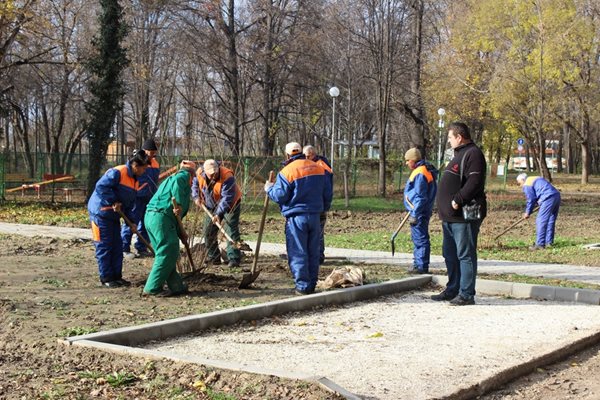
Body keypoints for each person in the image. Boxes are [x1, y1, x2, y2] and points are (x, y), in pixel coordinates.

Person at [265, 142, 333, 295]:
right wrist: (324, 209)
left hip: (296, 218)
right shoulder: (318, 168)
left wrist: (269, 188)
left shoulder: (287, 171)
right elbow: (327, 193)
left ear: (287, 155)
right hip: (315, 216)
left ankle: (302, 286)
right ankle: (312, 284)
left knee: (298, 251)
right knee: (313, 251)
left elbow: (280, 196)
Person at [432, 122, 487, 306]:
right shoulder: (459, 154)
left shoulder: (473, 153)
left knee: (465, 254)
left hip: (463, 216)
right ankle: (453, 288)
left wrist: (458, 199)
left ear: (459, 137)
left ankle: (466, 294)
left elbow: (474, 181)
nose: (449, 141)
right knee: (450, 254)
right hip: (449, 217)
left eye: (450, 138)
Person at [87, 150, 150, 288]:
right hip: (101, 212)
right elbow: (101, 187)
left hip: (115, 215)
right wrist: (113, 201)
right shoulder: (117, 172)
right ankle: (107, 277)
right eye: (144, 168)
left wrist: (132, 222)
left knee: (117, 245)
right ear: (135, 165)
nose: (145, 171)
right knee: (104, 245)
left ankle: (117, 276)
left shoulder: (135, 181)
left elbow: (130, 204)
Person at [142, 160, 196, 297]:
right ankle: (152, 288)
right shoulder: (182, 177)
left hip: (151, 217)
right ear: (192, 175)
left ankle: (176, 286)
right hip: (161, 218)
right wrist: (179, 205)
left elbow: (174, 216)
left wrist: (181, 233)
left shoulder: (169, 179)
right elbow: (176, 206)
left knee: (167, 254)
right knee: (167, 252)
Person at [192, 159, 243, 268]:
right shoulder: (199, 173)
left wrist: (218, 214)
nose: (214, 175)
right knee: (208, 230)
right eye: (211, 174)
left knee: (230, 230)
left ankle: (234, 259)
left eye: (215, 172)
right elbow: (195, 186)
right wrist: (196, 197)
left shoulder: (227, 176)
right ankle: (213, 257)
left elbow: (227, 198)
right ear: (205, 171)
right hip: (210, 204)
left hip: (231, 204)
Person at [122, 138, 160, 259]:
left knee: (146, 224)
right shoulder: (137, 160)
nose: (153, 154)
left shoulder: (155, 163)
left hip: (150, 198)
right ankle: (124, 248)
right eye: (151, 152)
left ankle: (141, 247)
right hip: (137, 197)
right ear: (145, 150)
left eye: (154, 152)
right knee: (131, 222)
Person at [403, 148, 438, 274]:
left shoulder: (420, 173)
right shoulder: (423, 170)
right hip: (420, 210)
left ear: (413, 160)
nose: (406, 163)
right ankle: (418, 264)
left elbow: (421, 196)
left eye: (407, 160)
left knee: (420, 239)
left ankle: (421, 266)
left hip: (419, 211)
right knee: (419, 238)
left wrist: (414, 213)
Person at [302, 145, 333, 264]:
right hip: (316, 203)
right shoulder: (315, 164)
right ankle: (314, 255)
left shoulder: (320, 166)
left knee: (318, 231)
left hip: (319, 204)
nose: (305, 158)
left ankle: (319, 256)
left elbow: (327, 189)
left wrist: (325, 205)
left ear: (313, 155)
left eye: (307, 156)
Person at [516, 173, 560, 250]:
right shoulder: (534, 178)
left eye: (519, 183)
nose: (520, 186)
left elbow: (531, 199)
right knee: (550, 220)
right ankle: (549, 242)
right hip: (556, 195)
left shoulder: (527, 184)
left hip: (547, 198)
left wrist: (527, 212)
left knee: (541, 220)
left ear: (523, 180)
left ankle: (540, 244)